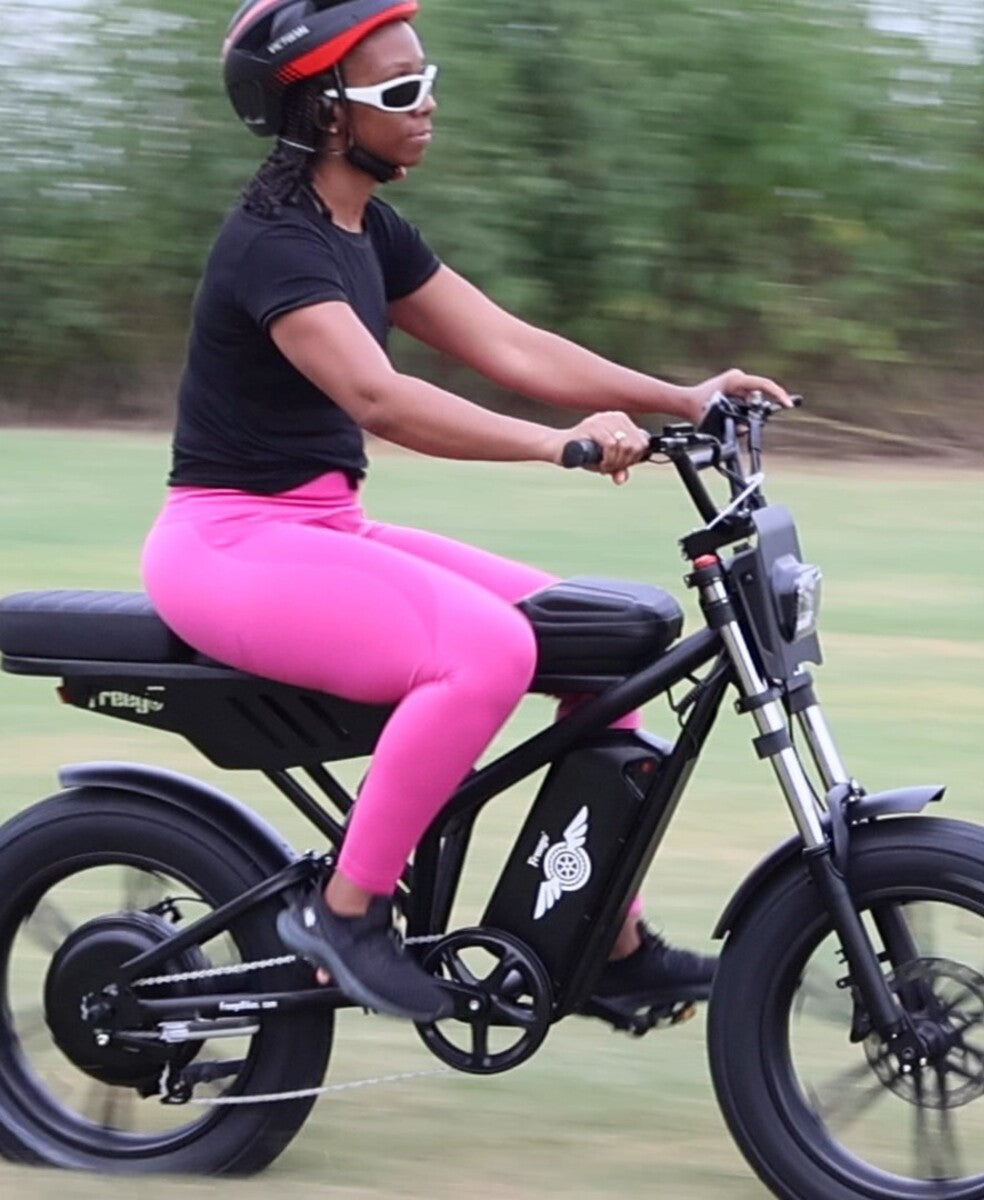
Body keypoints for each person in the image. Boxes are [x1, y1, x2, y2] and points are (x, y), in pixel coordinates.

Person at [141, 0, 792, 1022]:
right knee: (485, 651)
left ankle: (600, 939)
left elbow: (510, 344)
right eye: (400, 91)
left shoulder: (369, 230)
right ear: (325, 113)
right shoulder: (273, 246)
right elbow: (380, 399)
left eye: (426, 75)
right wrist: (558, 443)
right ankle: (343, 914)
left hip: (321, 529)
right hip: (227, 543)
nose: (429, 103)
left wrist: (685, 397)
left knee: (608, 643)